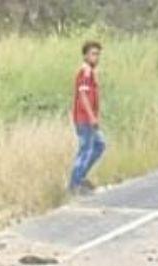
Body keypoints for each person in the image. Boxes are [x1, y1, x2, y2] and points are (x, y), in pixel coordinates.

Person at [69, 40, 106, 195]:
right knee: (86, 150)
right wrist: (91, 117)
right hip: (84, 118)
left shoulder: (90, 72)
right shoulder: (85, 72)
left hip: (88, 118)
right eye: (93, 54)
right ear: (85, 55)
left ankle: (81, 178)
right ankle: (75, 184)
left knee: (99, 145)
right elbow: (83, 95)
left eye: (98, 54)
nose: (96, 57)